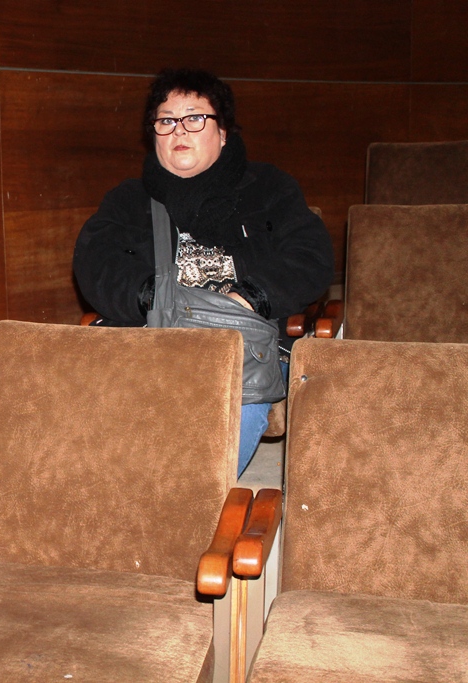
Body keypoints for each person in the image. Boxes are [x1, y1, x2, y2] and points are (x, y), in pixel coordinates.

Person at [73, 68, 333, 476]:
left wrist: (250, 298)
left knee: (198, 467)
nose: (179, 130)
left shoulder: (269, 187)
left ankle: (188, 495)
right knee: (99, 450)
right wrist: (151, 297)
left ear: (223, 131)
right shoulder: (128, 200)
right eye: (166, 120)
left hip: (240, 347)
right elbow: (96, 262)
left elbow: (310, 255)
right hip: (154, 340)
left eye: (194, 118)